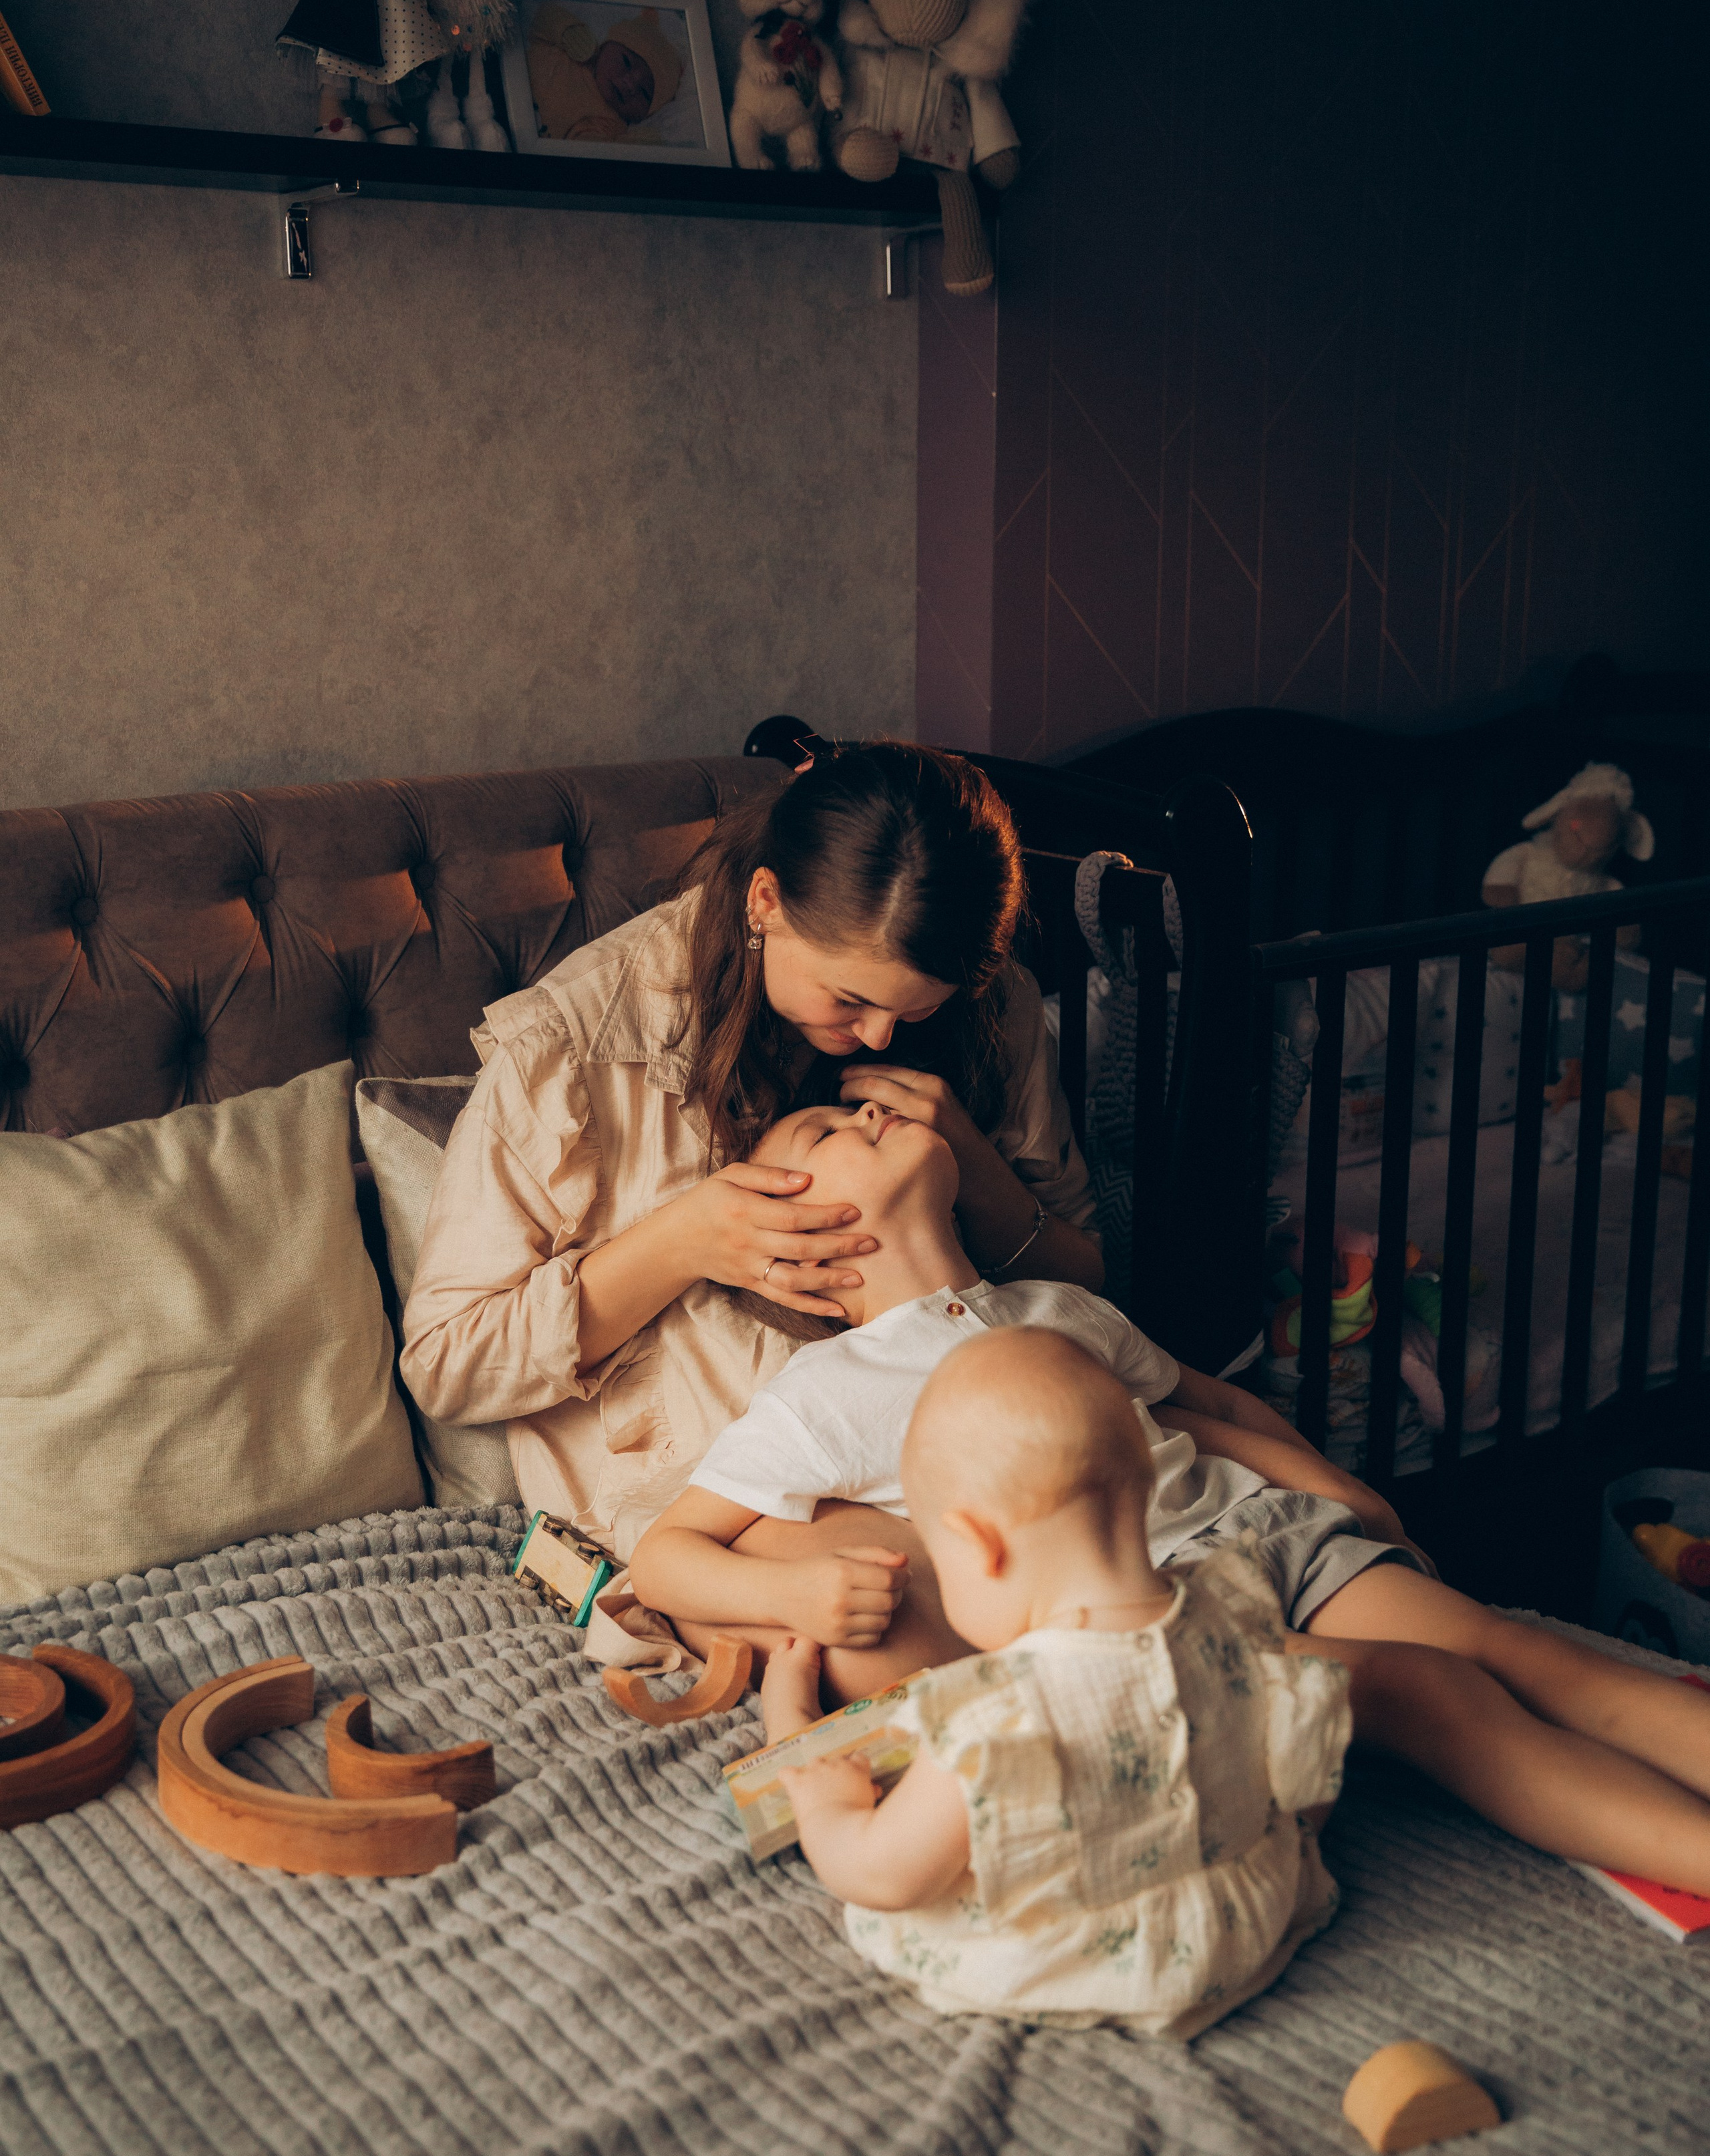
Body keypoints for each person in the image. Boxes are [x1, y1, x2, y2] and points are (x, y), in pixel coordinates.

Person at [631, 1093, 1710, 1895]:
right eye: (825, 1131)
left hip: (1266, 1532)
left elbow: (1220, 1411)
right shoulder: (830, 1391)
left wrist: (1347, 1495)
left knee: (1510, 1647)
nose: (868, 1103)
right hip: (1167, 1618)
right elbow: (666, 1555)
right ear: (805, 1247)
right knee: (1444, 1699)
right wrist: (802, 1602)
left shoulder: (1055, 1304)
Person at [399, 744, 1103, 1632]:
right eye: (849, 998)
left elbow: (1086, 1280)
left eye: (917, 1007)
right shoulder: (573, 1049)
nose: (883, 1035)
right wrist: (680, 1242)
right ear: (765, 902)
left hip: (963, 1431)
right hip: (731, 1502)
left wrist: (974, 1162)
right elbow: (448, 1364)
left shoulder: (989, 1010)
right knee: (948, 1602)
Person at [763, 1329, 1353, 2039]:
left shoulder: (1002, 1708)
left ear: (979, 1544)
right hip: (1243, 1926)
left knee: (875, 1841)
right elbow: (1301, 1780)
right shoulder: (1234, 1609)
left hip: (1099, 1960)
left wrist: (823, 1796)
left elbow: (886, 1877)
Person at [526, 4, 683, 141]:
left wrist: (636, 145)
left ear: (647, 114)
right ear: (607, 46)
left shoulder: (612, 124)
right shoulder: (578, 51)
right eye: (627, 62)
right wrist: (569, 32)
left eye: (645, 92)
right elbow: (540, 19)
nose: (630, 85)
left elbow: (587, 147)